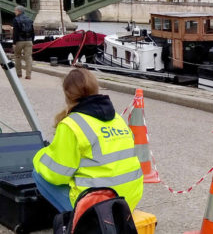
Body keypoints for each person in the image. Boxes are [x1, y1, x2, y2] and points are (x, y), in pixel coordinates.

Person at [32, 69, 144, 213]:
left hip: (96, 207)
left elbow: (56, 175)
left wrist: (39, 157)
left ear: (67, 95)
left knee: (38, 174)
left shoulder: (71, 125)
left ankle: (77, 221)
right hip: (128, 200)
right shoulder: (117, 118)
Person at [12, 5, 34, 79]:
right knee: (28, 57)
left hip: (19, 41)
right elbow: (32, 31)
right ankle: (28, 75)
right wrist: (32, 40)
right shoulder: (29, 19)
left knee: (17, 56)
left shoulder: (16, 19)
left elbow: (15, 32)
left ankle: (19, 74)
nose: (14, 12)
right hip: (29, 40)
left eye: (15, 10)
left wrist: (14, 43)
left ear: (19, 11)